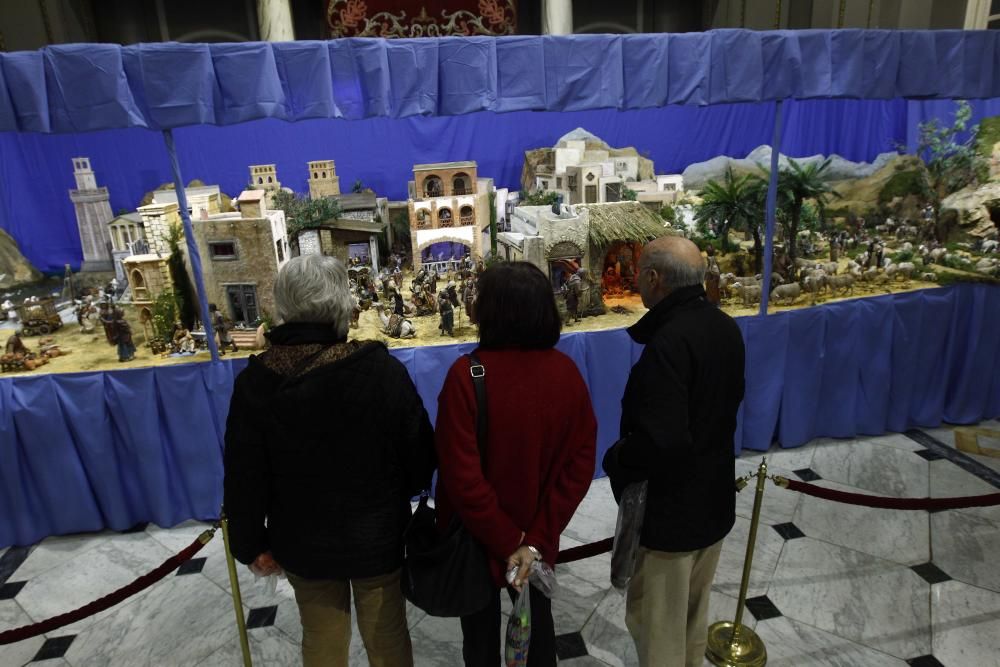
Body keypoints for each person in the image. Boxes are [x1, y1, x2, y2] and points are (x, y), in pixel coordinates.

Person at [224, 254, 436, 667]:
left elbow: (244, 475)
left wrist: (250, 544)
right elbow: (420, 456)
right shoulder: (380, 371)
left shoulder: (255, 383)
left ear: (282, 308)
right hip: (376, 537)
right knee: (387, 634)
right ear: (342, 303)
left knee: (321, 638)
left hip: (303, 542)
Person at [435, 262, 597, 666]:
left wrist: (510, 543)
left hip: (475, 540)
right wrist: (533, 543)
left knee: (479, 641)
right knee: (538, 632)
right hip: (535, 542)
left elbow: (462, 478)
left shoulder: (466, 375)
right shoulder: (567, 373)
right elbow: (578, 468)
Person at [602, 237, 745, 667]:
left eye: (639, 271)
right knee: (691, 622)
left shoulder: (669, 342)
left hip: (673, 517)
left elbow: (661, 441)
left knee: (659, 627)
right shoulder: (724, 326)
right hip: (714, 502)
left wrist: (618, 460)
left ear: (653, 278)